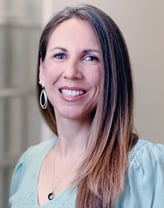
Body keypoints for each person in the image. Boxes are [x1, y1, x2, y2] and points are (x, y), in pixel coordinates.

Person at [9, 4, 164, 208]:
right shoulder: (27, 163)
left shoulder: (146, 167)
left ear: (112, 74)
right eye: (60, 55)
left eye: (90, 58)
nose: (71, 72)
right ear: (41, 71)